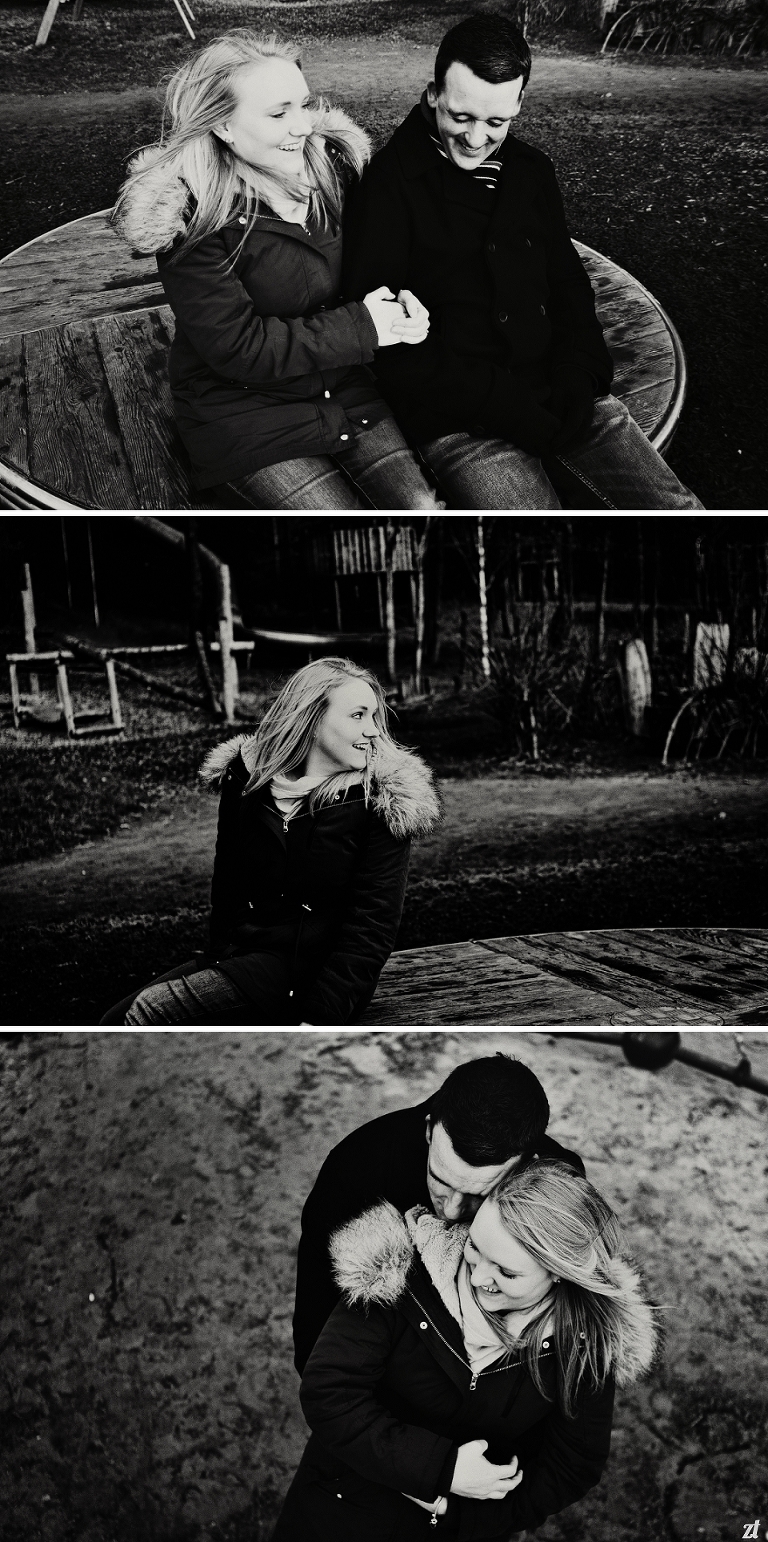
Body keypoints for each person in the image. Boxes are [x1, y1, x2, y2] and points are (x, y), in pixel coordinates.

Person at [342, 13, 703, 511]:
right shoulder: (388, 185)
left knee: (677, 510)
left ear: (519, 103)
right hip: (459, 418)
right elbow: (384, 341)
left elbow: (569, 286)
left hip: (561, 389)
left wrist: (580, 377)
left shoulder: (532, 172)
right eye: (460, 116)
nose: (474, 138)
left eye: (496, 121)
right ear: (432, 94)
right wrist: (502, 403)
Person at [112, 31, 441, 510]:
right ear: (223, 125)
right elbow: (238, 348)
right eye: (278, 112)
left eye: (304, 105)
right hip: (244, 411)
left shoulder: (335, 170)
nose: (303, 126)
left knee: (421, 509)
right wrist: (364, 326)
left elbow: (381, 265)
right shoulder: (194, 216)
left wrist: (403, 309)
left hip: (346, 391)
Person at [274, 1158, 658, 1540]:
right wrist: (444, 1470)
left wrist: (460, 1514)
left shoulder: (586, 1343)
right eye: (475, 1246)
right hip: (337, 1512)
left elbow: (572, 1467)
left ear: (560, 1271)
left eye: (506, 1272)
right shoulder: (399, 1274)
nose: (477, 1276)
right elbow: (329, 1393)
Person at [99, 658, 440, 1026]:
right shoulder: (247, 783)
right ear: (312, 720)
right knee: (111, 1021)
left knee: (149, 1012)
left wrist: (320, 1017)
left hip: (310, 975)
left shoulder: (382, 800)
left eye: (374, 716)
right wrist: (219, 958)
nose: (373, 730)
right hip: (240, 958)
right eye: (358, 715)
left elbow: (373, 925)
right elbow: (227, 882)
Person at [293, 1054, 585, 1373]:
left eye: (479, 1194)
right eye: (441, 1180)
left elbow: (567, 1324)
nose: (452, 1210)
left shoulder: (559, 1187)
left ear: (528, 1165)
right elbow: (317, 1316)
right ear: (431, 1130)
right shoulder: (357, 1169)